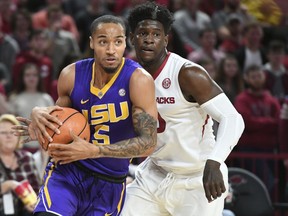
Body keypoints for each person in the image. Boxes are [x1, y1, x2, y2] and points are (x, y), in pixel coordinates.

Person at [13, 15, 157, 216]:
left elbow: (149, 143)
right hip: (68, 173)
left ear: (126, 42)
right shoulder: (71, 75)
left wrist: (95, 150)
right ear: (91, 42)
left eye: (118, 42)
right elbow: (58, 122)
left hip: (109, 183)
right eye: (103, 41)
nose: (110, 50)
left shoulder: (138, 80)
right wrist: (41, 120)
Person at [121, 2, 245, 216]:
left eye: (156, 34)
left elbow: (233, 118)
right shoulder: (126, 75)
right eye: (143, 33)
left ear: (166, 40)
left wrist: (215, 161)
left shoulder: (187, 74)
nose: (149, 39)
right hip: (153, 174)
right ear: (132, 38)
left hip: (197, 178)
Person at [0, 114, 41, 216]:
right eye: (3, 132)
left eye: (13, 132)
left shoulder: (27, 158)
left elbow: (37, 189)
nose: (9, 136)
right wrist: (9, 185)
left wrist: (32, 203)